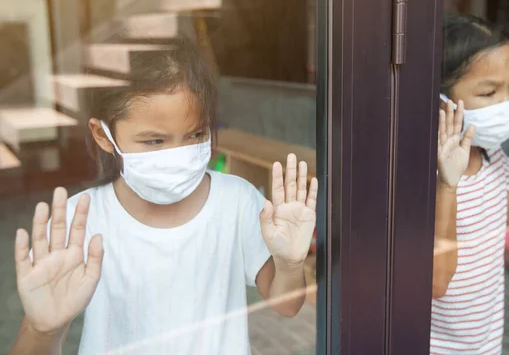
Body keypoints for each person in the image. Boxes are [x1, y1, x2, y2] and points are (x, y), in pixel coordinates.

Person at [9, 39, 318, 355]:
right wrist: (41, 330)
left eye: (195, 135)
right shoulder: (80, 222)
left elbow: (287, 306)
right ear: (103, 135)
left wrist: (291, 264)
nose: (177, 156)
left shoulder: (236, 201)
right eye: (154, 141)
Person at [431, 15, 509, 354]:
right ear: (441, 100)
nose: (507, 102)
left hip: (485, 345)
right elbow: (435, 283)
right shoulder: (422, 175)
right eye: (489, 92)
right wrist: (447, 185)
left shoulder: (493, 159)